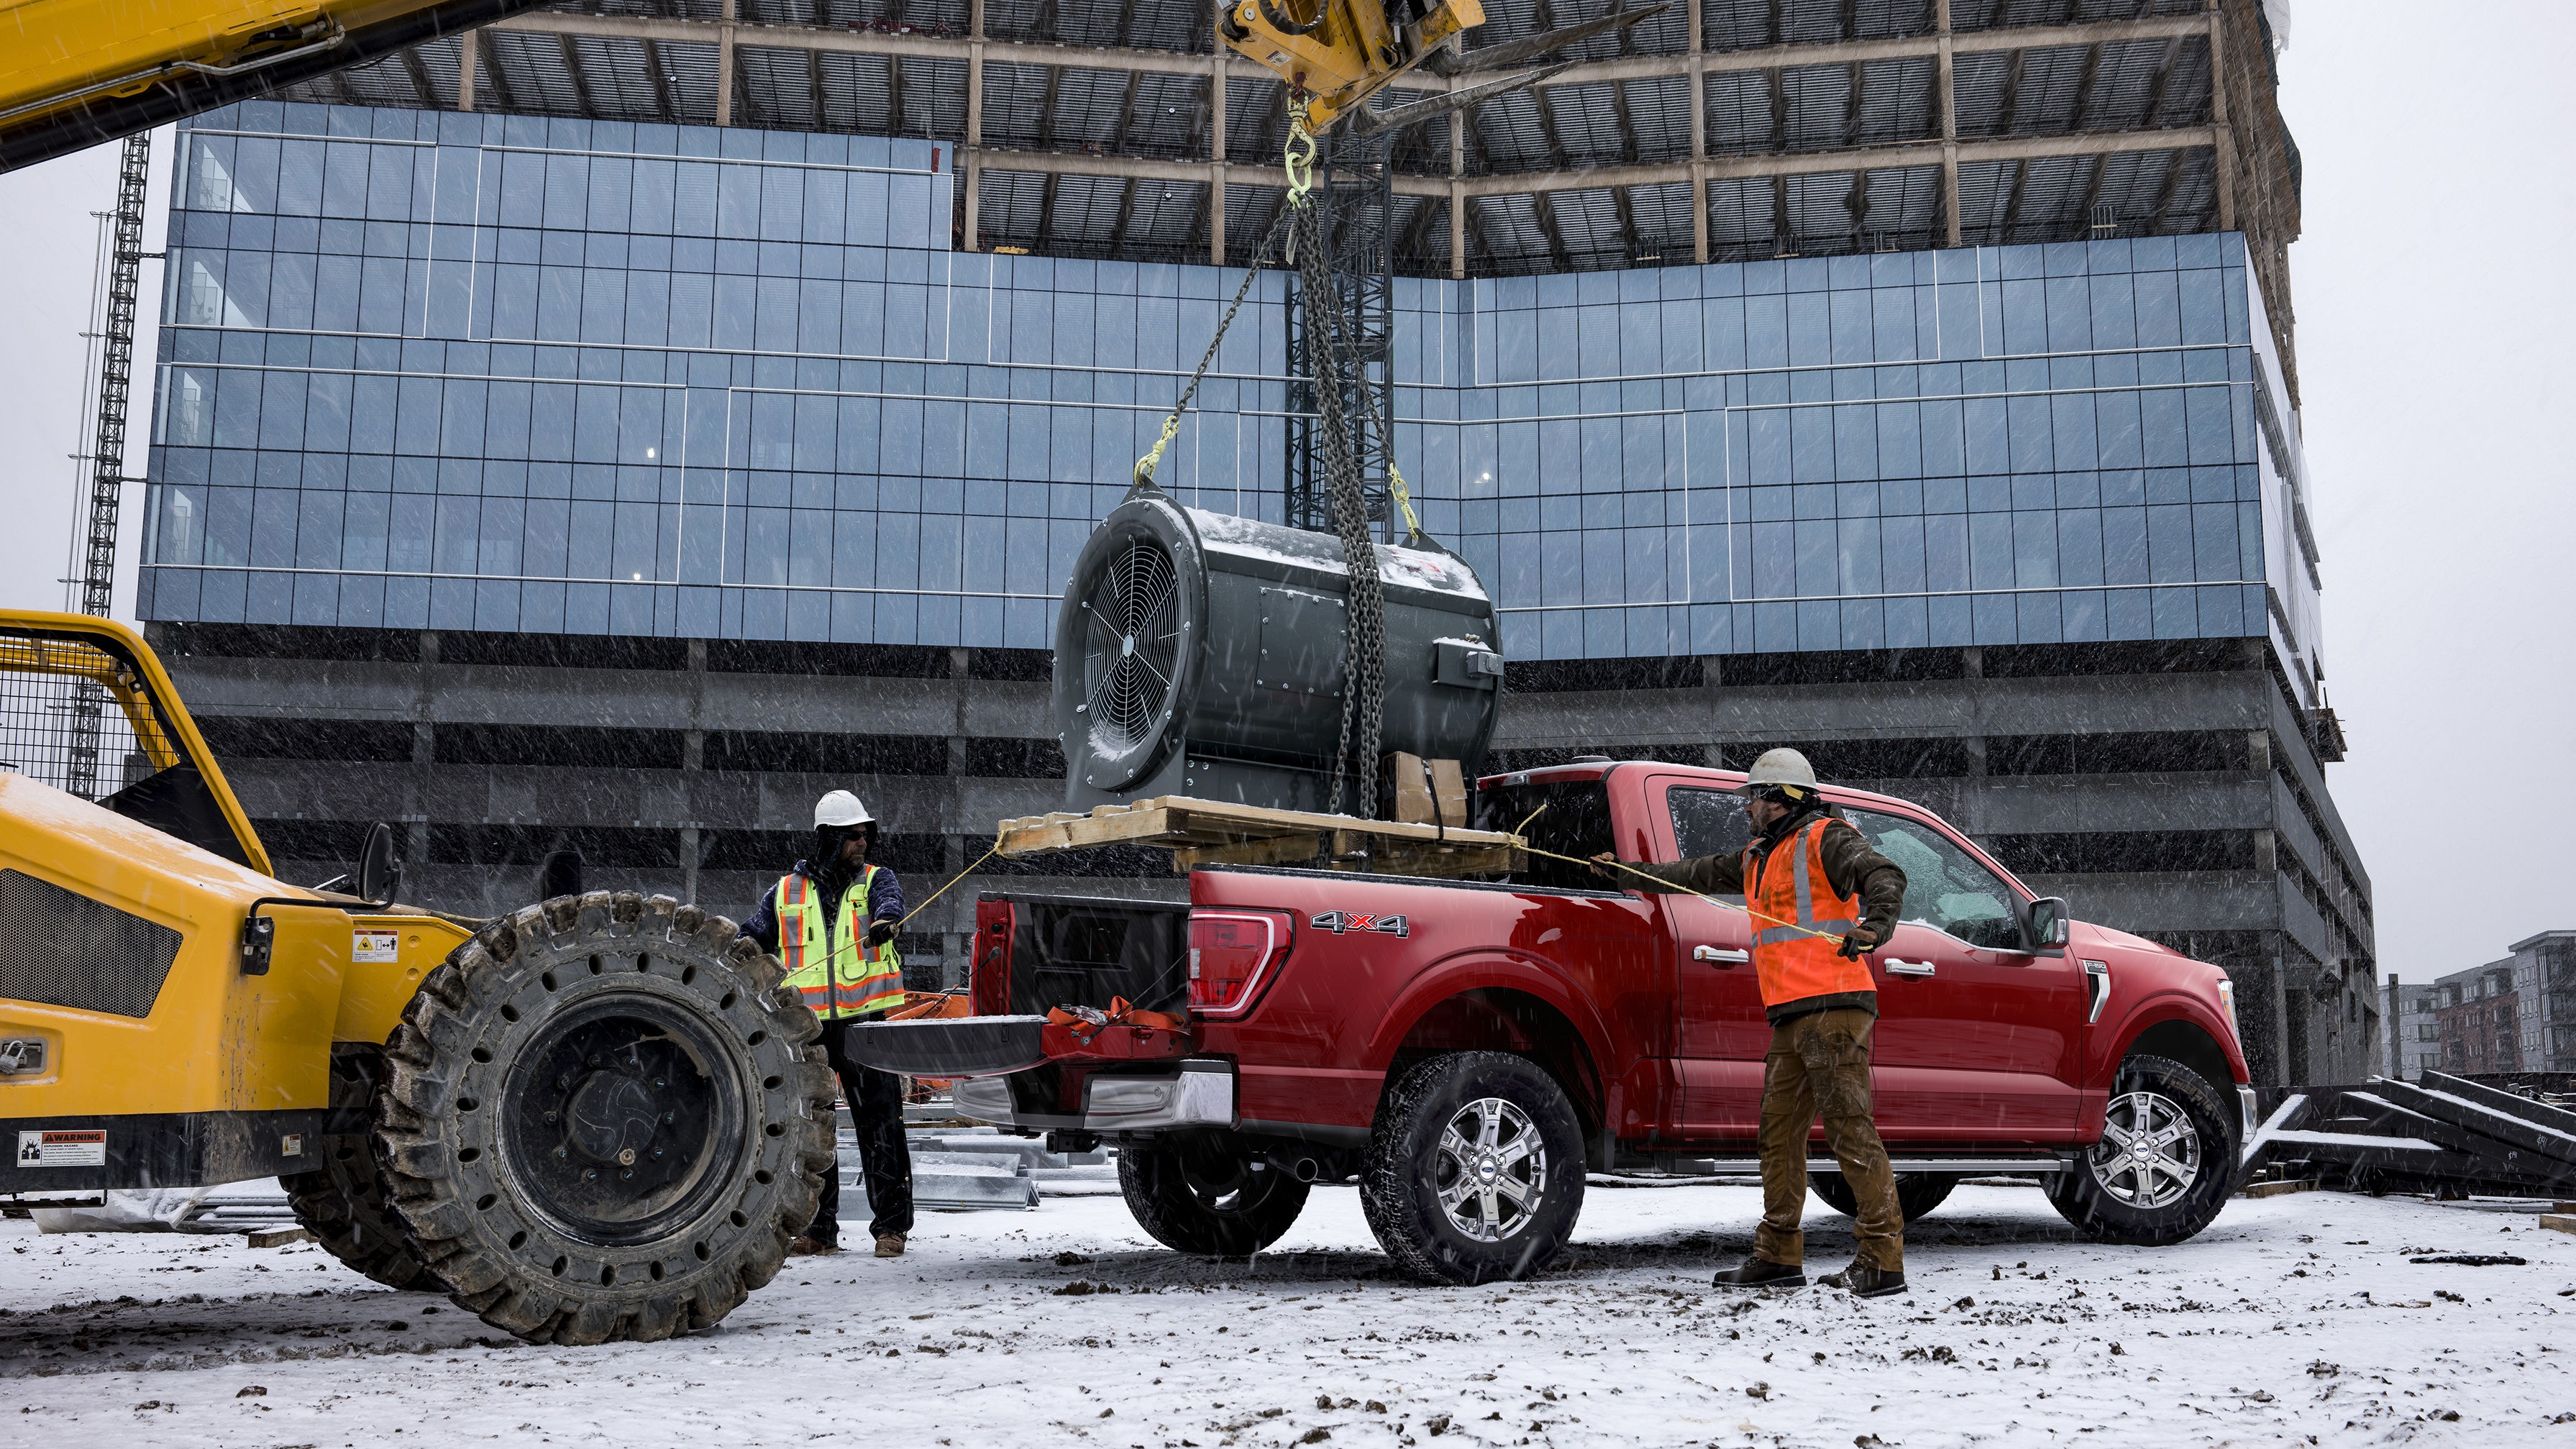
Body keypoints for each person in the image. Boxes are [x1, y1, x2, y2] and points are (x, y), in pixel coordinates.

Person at [1591, 747, 1912, 1297]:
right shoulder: (1757, 856)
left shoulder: (1825, 837)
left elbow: (1884, 873)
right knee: (1778, 1135)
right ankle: (1779, 1254)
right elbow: (1689, 873)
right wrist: (1628, 873)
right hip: (1791, 1013)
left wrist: (1875, 924)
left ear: (1782, 798)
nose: (1747, 808)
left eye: (1755, 798)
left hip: (1835, 1005)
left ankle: (1882, 1260)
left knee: (1849, 1129)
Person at [744, 789, 914, 1258]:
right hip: (808, 1029)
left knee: (882, 1126)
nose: (863, 843)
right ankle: (819, 1229)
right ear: (828, 839)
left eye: (866, 835)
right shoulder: (784, 893)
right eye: (853, 836)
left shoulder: (877, 881)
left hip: (866, 1024)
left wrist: (887, 921)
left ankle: (891, 1228)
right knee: (813, 1132)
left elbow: (891, 903)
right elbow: (752, 937)